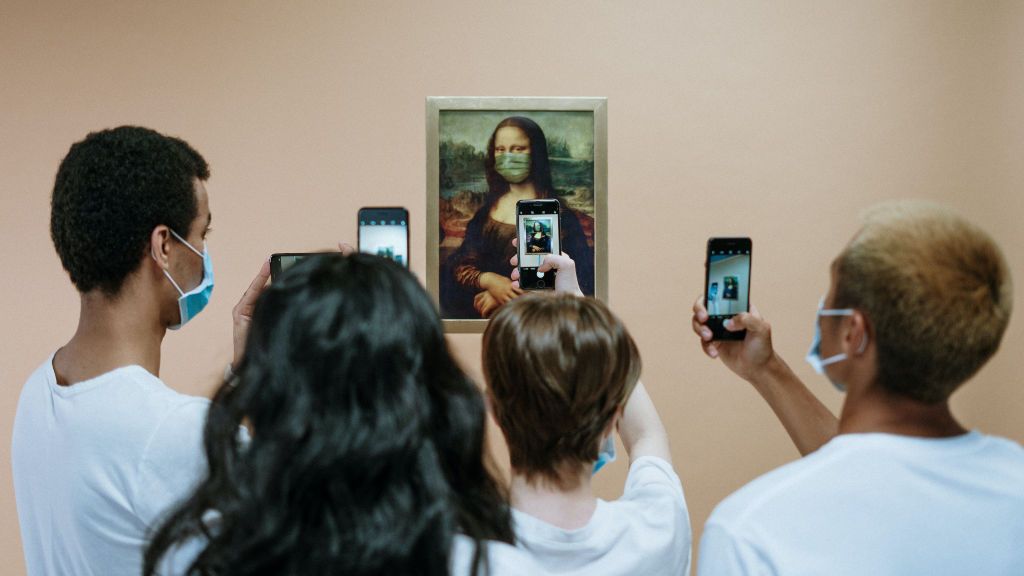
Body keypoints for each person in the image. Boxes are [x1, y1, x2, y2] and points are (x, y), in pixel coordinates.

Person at [145, 253, 545, 576]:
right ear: (429, 397)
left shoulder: (197, 559)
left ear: (271, 398)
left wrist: (253, 371)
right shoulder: (497, 567)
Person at [691, 201, 1023, 575]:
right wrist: (765, 368)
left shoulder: (750, 533)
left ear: (854, 333)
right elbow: (873, 469)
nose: (823, 307)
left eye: (831, 292)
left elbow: (863, 476)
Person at [11, 126, 270, 575]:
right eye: (201, 235)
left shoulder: (37, 392)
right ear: (164, 246)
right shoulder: (173, 433)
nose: (205, 254)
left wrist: (246, 383)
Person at [485, 249, 691, 575]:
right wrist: (579, 301)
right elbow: (646, 436)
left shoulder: (459, 556)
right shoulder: (656, 533)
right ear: (613, 418)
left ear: (493, 408)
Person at [443, 116, 595, 319]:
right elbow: (460, 264)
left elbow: (579, 283)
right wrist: (489, 280)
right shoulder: (486, 212)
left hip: (539, 320)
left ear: (536, 153)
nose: (508, 156)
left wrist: (509, 297)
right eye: (501, 150)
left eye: (518, 149)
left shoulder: (560, 217)